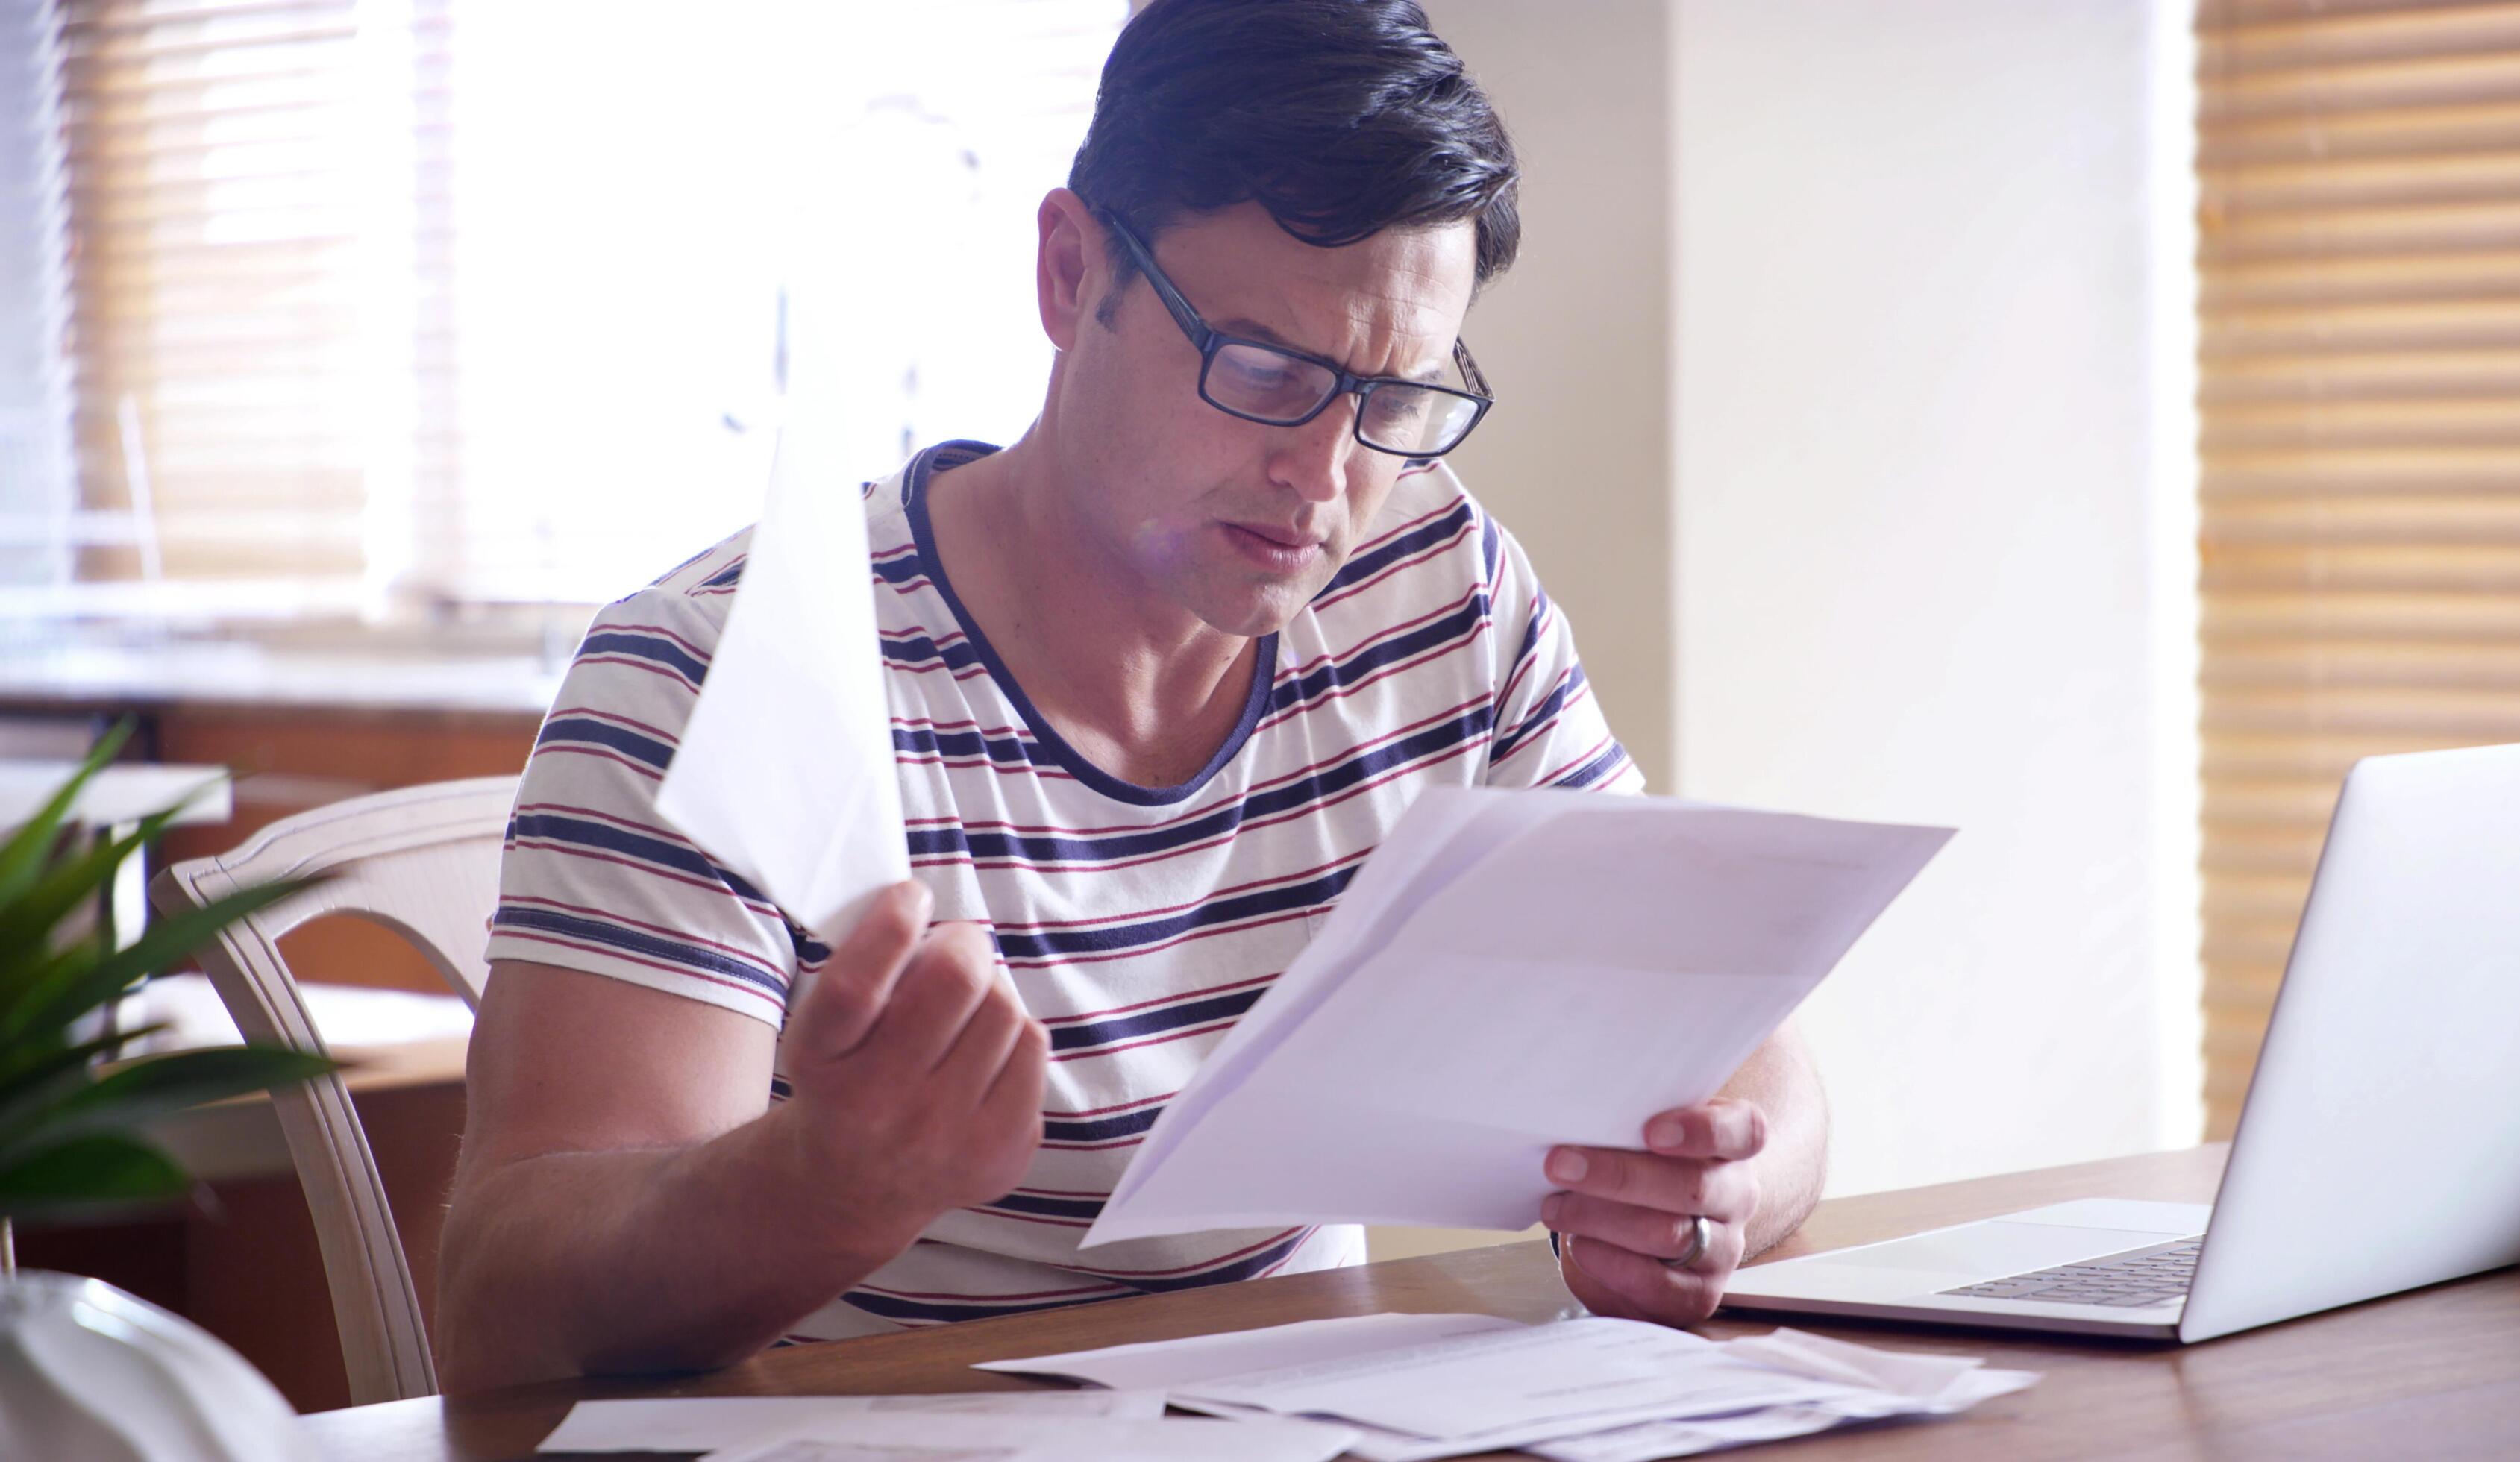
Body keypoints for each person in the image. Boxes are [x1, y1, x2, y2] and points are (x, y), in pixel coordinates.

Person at [436, 0, 1827, 1392]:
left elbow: (1762, 1074)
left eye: (1395, 399)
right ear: (1067, 269)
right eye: (1268, 370)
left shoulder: (1430, 578)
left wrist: (1716, 1198)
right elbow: (509, 1312)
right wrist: (830, 1180)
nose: (1324, 475)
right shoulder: (722, 673)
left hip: (1308, 1420)